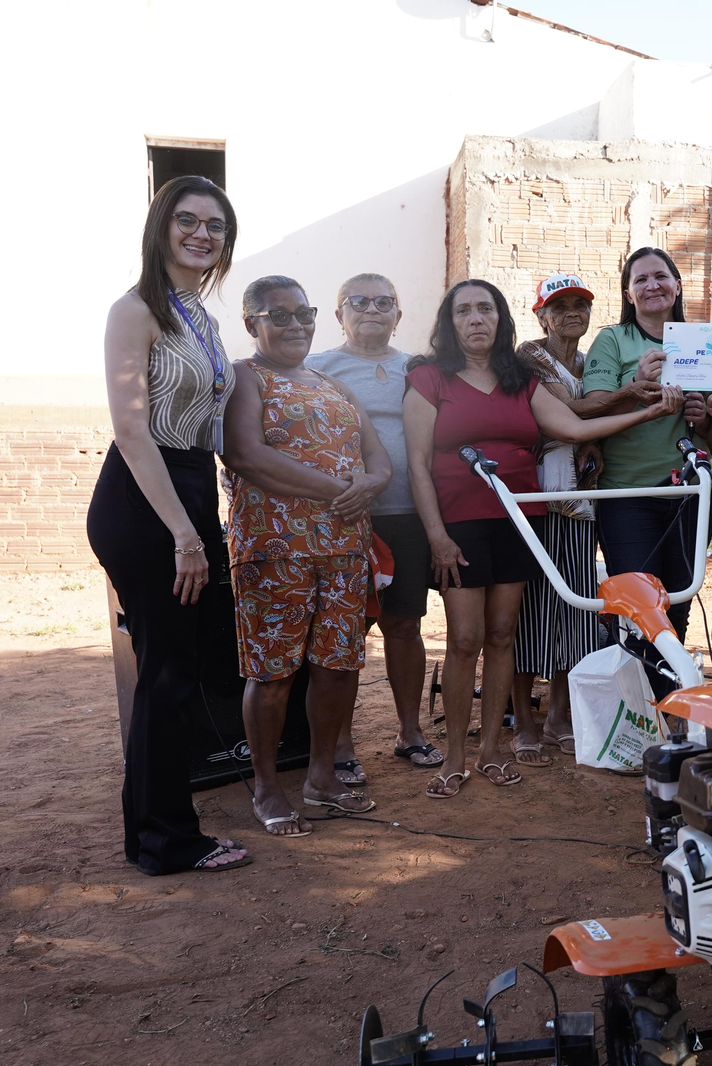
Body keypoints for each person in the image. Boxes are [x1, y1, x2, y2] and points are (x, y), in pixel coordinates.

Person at [405, 279, 682, 799]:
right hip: (459, 525)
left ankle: (492, 749)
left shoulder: (520, 380)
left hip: (517, 522)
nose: (476, 319)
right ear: (450, 322)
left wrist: (652, 411)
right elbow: (418, 464)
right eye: (463, 311)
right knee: (465, 639)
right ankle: (456, 756)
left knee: (504, 633)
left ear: (501, 319)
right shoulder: (428, 378)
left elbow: (574, 429)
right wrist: (437, 536)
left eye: (485, 309)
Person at [86, 175, 251, 873]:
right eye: (187, 220)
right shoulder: (137, 310)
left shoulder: (204, 318)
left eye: (215, 224)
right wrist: (185, 534)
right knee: (166, 673)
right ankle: (166, 842)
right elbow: (131, 430)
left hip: (189, 487)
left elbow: (211, 428)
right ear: (161, 228)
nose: (201, 233)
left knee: (179, 667)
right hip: (145, 497)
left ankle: (156, 829)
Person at [222, 275, 390, 835]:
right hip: (275, 549)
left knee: (339, 666)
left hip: (343, 551)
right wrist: (339, 489)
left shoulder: (329, 384)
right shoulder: (245, 378)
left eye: (303, 313)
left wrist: (369, 484)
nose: (295, 324)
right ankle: (268, 786)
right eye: (279, 315)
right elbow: (247, 455)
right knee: (272, 673)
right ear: (252, 324)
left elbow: (380, 460)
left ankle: (322, 778)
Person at [307, 273, 443, 776]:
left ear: (399, 316)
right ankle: (340, 746)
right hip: (344, 520)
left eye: (384, 301)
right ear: (339, 313)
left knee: (405, 625)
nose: (371, 309)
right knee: (345, 632)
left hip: (408, 515)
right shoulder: (317, 368)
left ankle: (410, 733)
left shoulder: (418, 369)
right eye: (358, 301)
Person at [580, 247, 712, 639]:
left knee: (678, 606)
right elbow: (591, 413)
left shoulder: (705, 341)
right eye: (641, 280)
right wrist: (636, 388)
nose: (652, 285)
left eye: (661, 276)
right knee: (637, 610)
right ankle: (636, 696)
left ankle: (665, 698)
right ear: (628, 295)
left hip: (691, 495)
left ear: (677, 286)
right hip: (627, 495)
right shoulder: (613, 340)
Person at [508, 273, 607, 765]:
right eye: (560, 305)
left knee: (577, 607)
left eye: (581, 305)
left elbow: (588, 425)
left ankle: (559, 715)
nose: (572, 313)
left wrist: (591, 438)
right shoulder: (531, 355)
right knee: (530, 608)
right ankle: (523, 720)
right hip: (538, 496)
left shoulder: (592, 363)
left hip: (582, 500)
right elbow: (571, 409)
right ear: (541, 315)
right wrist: (638, 398)